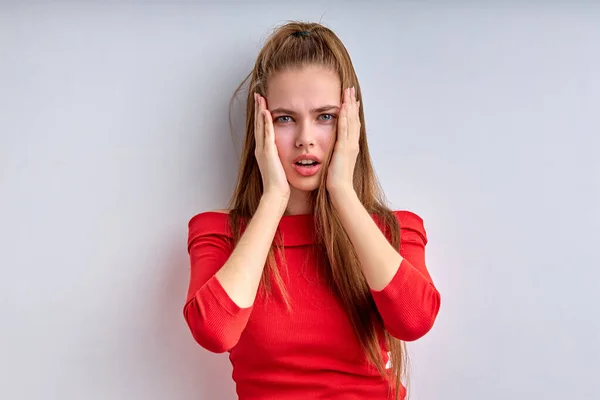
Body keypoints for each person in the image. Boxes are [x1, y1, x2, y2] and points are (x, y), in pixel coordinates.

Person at [183, 20, 441, 400]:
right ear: (262, 124)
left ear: (351, 124)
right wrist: (273, 198)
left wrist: (342, 192)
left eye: (325, 117)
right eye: (285, 118)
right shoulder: (219, 234)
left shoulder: (394, 230)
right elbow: (215, 332)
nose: (305, 139)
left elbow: (414, 320)